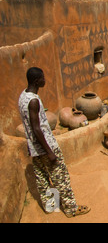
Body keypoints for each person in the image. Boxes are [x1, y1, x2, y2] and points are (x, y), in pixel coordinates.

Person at [18, 67, 90, 218]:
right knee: (60, 177)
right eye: (43, 78)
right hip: (44, 145)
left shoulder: (22, 96)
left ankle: (50, 205)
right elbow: (37, 128)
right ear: (37, 81)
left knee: (42, 177)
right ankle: (71, 208)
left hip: (33, 147)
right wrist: (49, 151)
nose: (45, 80)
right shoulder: (33, 101)